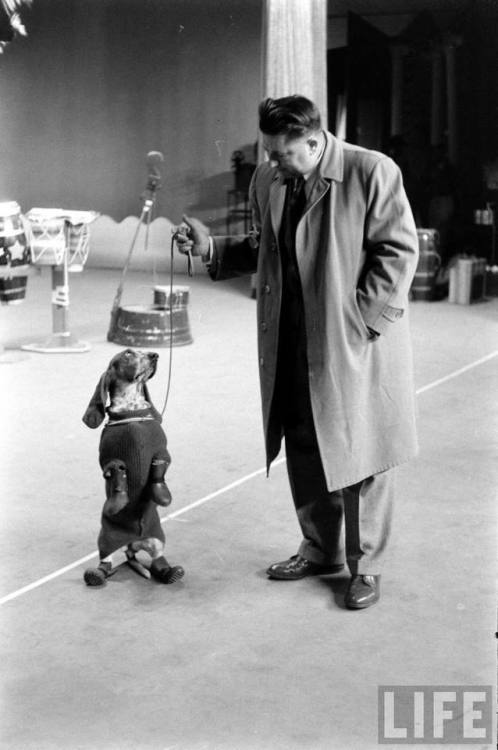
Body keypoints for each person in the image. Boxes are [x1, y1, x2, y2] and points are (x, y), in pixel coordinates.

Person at [176, 95, 419, 609]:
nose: (271, 163)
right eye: (268, 152)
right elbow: (264, 246)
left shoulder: (370, 172)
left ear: (314, 143)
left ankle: (367, 567)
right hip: (290, 334)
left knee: (362, 451)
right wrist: (211, 249)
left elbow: (398, 252)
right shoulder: (271, 181)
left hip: (352, 340)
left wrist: (360, 324)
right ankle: (320, 549)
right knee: (305, 440)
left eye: (282, 154)